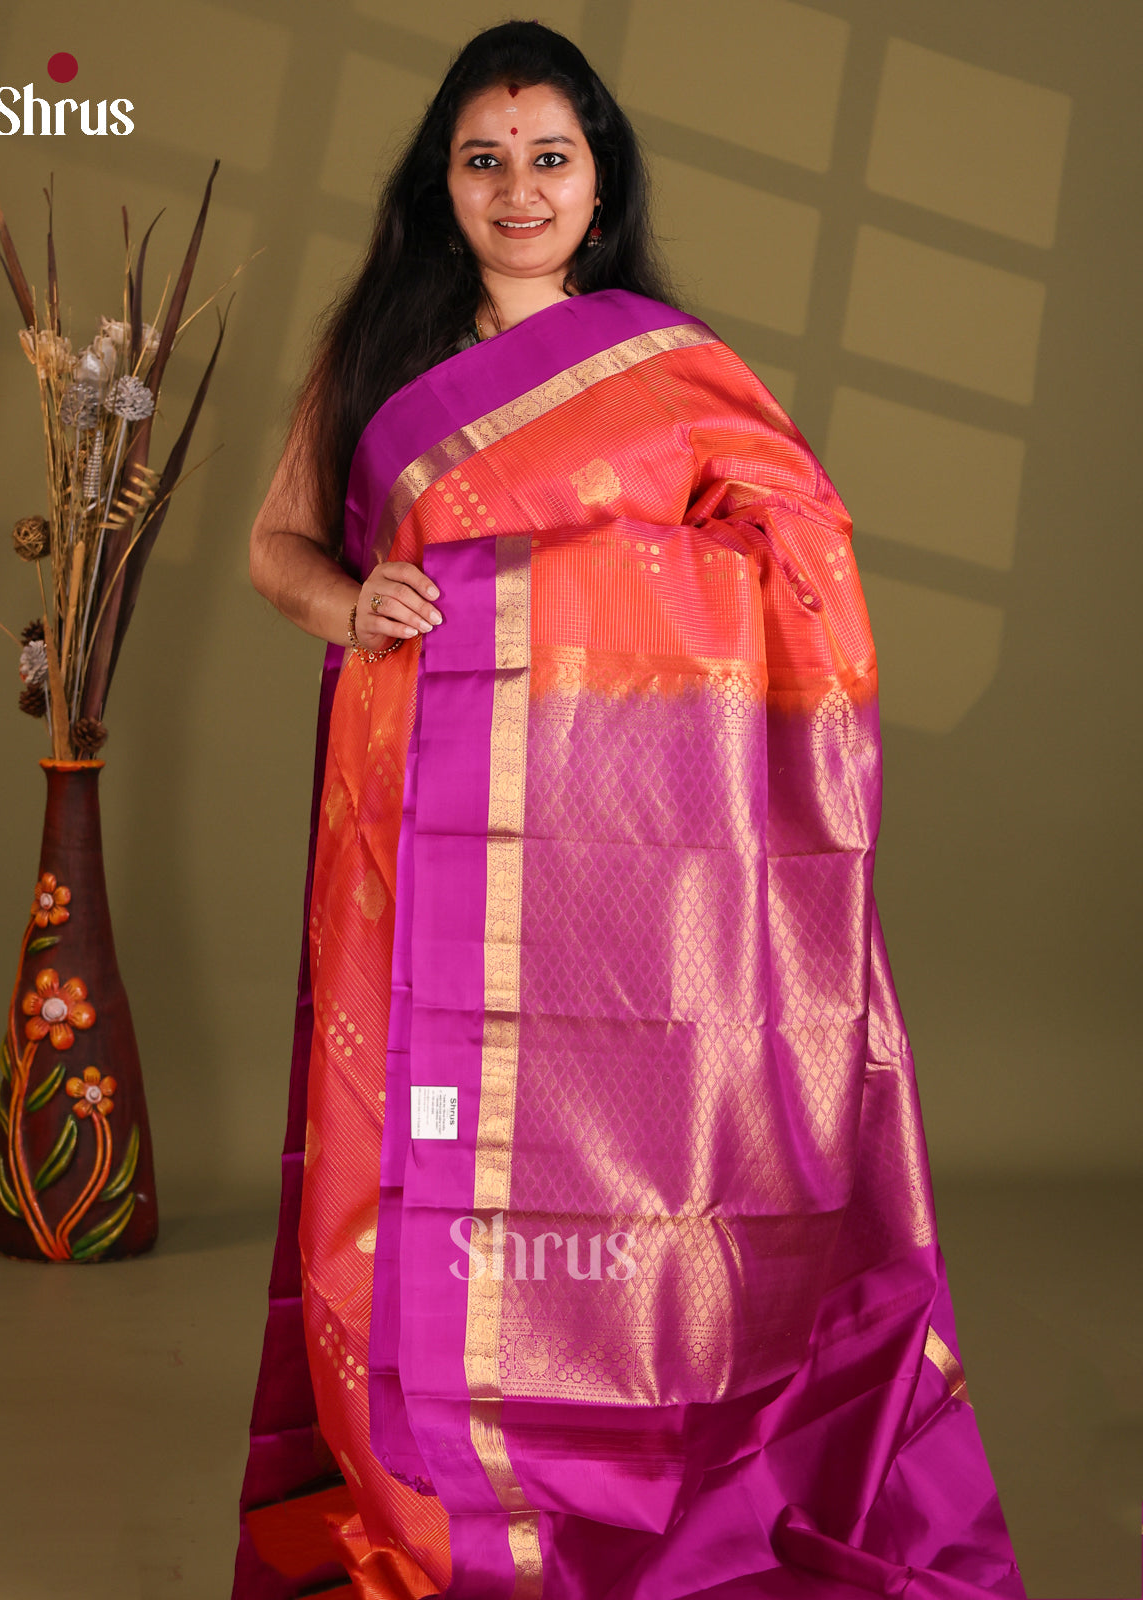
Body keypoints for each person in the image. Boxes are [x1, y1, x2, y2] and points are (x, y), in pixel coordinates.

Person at [233, 21, 1026, 1600]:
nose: (518, 189)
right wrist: (356, 604)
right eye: (484, 160)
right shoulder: (380, 353)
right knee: (420, 1158)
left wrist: (554, 597)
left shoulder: (669, 370)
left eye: (551, 157)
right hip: (419, 842)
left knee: (617, 1175)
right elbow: (278, 546)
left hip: (625, 870)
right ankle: (440, 1490)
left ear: (601, 182)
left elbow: (798, 569)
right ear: (440, 184)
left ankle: (650, 1463)